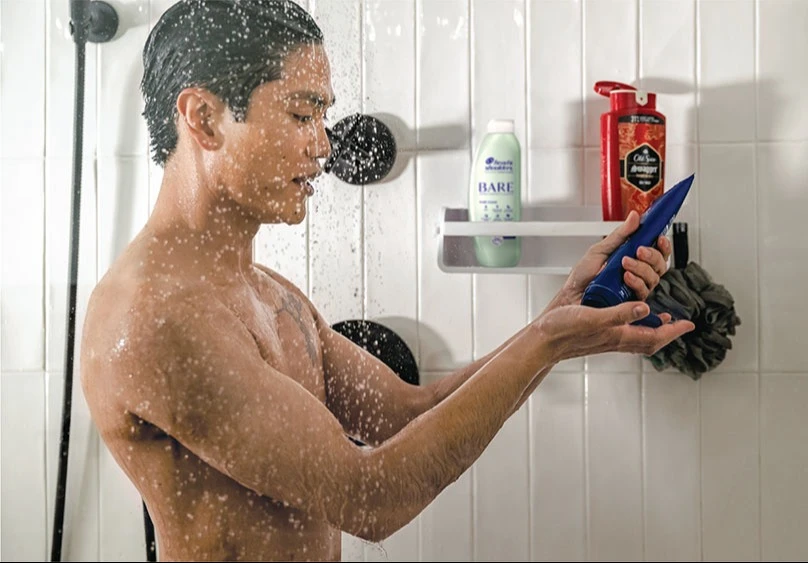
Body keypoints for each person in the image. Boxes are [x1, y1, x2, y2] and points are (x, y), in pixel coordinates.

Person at [79, 0, 695, 561]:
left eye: (322, 116)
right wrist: (550, 343)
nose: (322, 145)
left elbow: (406, 412)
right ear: (205, 118)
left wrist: (562, 313)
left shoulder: (266, 291)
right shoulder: (154, 318)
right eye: (301, 113)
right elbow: (370, 499)